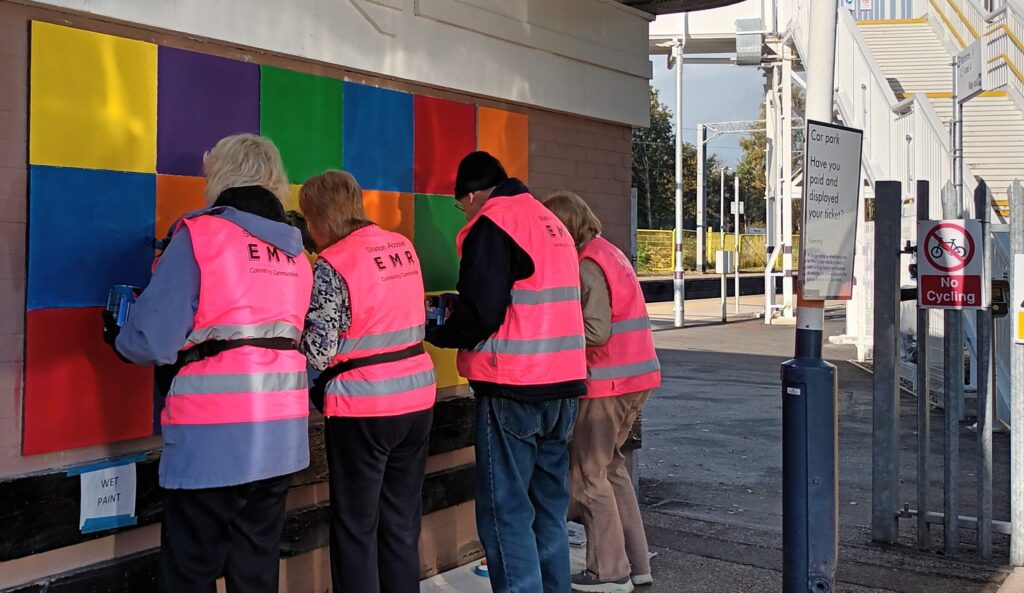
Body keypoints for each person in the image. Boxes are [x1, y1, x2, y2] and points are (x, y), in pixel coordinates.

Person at [105, 133, 313, 593]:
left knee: (191, 574)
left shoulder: (201, 235)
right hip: (281, 434)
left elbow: (151, 342)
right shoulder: (298, 254)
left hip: (211, 438)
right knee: (255, 572)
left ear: (220, 175)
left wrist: (119, 334)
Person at [425, 151, 587, 593]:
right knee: (547, 511)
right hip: (564, 387)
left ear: (473, 194)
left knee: (506, 514)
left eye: (462, 204)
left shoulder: (493, 223)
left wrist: (439, 331)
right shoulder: (549, 222)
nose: (465, 211)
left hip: (516, 386)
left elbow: (482, 311)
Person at [298, 170, 436, 593]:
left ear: (318, 217)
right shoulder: (402, 247)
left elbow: (317, 352)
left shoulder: (334, 262)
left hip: (363, 407)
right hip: (417, 400)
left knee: (356, 529)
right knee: (400, 522)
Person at [543, 191, 661, 593]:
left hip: (605, 383)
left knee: (589, 477)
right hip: (635, 379)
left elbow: (596, 330)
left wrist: (550, 332)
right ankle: (637, 563)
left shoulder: (586, 264)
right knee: (612, 470)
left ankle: (608, 573)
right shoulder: (611, 253)